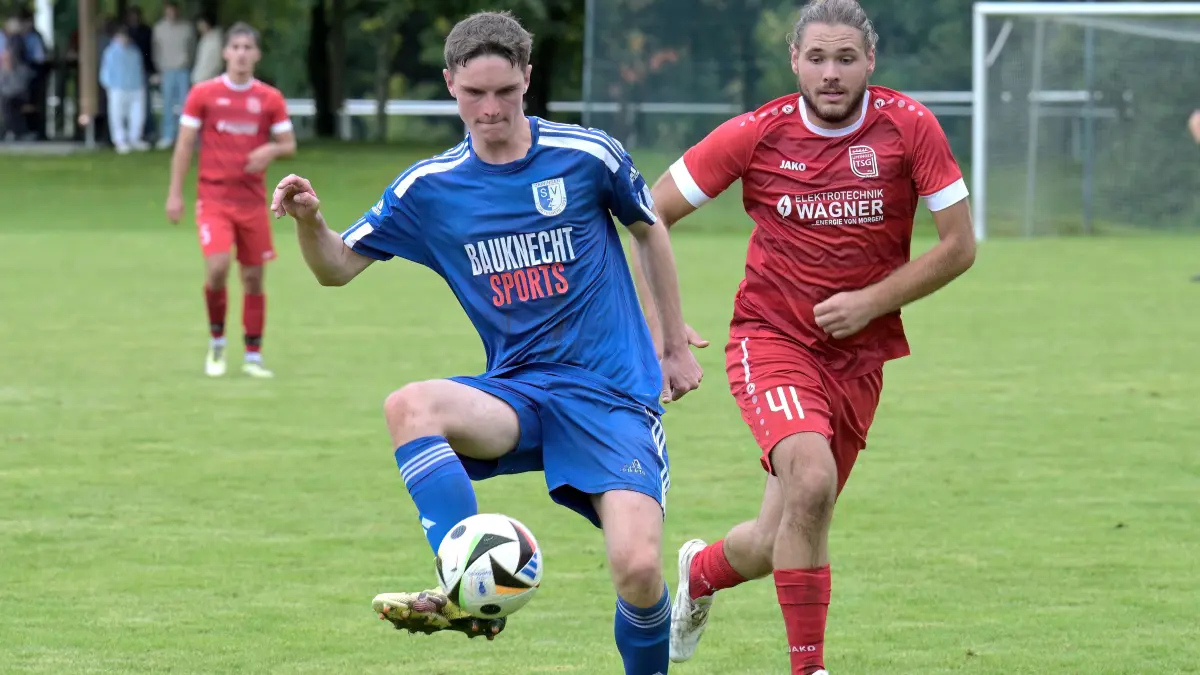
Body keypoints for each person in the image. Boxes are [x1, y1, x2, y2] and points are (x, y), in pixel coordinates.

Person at [271, 10, 700, 673]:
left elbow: (649, 228)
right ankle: (461, 587)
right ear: (450, 85)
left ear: (528, 79)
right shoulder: (430, 189)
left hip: (612, 394)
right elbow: (335, 268)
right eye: (475, 94)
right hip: (520, 390)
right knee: (408, 406)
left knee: (637, 570)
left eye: (506, 92)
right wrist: (310, 220)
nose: (492, 108)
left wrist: (672, 344)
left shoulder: (586, 156)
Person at [630, 1, 977, 673]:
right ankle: (808, 666)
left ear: (869, 61)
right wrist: (662, 326)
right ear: (794, 61)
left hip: (859, 356)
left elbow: (960, 246)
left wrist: (872, 301)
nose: (831, 72)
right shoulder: (757, 134)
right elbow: (649, 212)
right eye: (816, 58)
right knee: (811, 479)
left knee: (777, 534)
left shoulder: (910, 127)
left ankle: (701, 572)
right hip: (771, 339)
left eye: (845, 58)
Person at [166, 22, 296, 378]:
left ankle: (253, 354)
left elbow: (288, 144)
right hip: (214, 199)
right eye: (234, 47)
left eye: (247, 47)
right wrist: (175, 193)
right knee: (219, 267)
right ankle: (217, 342)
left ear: (256, 54)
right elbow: (184, 145)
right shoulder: (203, 94)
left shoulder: (269, 98)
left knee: (254, 278)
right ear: (225, 52)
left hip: (253, 202)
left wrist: (269, 149)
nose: (240, 53)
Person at [152, 1, 195, 150]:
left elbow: (192, 48)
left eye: (174, 10)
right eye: (169, 10)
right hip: (166, 70)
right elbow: (155, 50)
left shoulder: (187, 28)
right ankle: (167, 136)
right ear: (165, 11)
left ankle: (183, 136)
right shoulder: (159, 28)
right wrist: (159, 68)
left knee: (185, 105)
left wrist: (188, 63)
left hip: (183, 69)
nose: (172, 13)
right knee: (167, 104)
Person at [99, 25, 147, 153]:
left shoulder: (134, 51)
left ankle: (135, 138)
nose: (124, 40)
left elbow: (139, 69)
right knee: (117, 115)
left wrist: (141, 84)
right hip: (117, 88)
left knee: (137, 115)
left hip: (135, 87)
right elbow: (105, 71)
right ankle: (120, 140)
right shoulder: (110, 52)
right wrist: (109, 86)